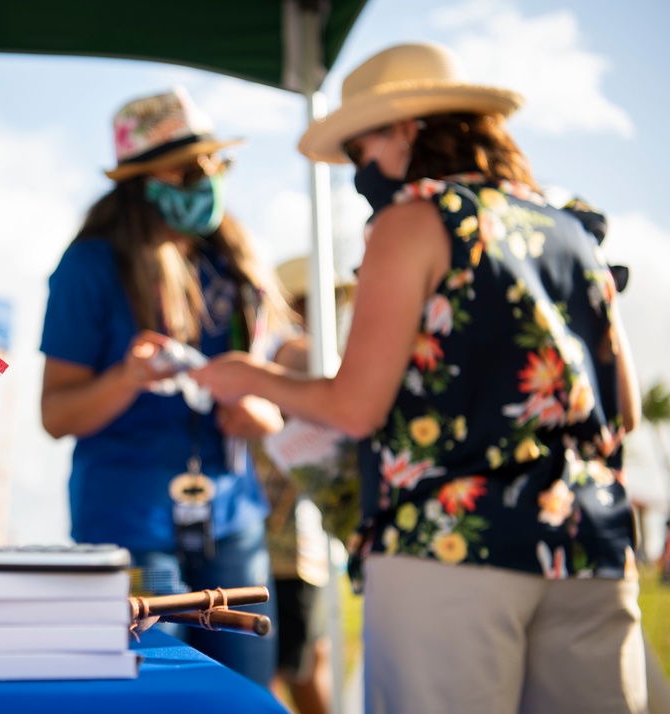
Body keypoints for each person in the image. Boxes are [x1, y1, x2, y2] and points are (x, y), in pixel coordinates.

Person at [191, 42, 647, 712]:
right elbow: (624, 408)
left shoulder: (412, 222)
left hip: (447, 548)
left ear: (407, 128)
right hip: (589, 546)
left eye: (359, 149)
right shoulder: (572, 227)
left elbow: (354, 407)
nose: (357, 170)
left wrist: (249, 376)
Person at [39, 86, 296, 688]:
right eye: (186, 166)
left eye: (214, 162)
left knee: (248, 697)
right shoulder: (88, 268)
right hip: (129, 524)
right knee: (156, 696)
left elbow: (279, 378)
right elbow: (56, 414)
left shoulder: (233, 263)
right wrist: (127, 377)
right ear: (138, 181)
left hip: (235, 518)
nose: (205, 178)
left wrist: (264, 412)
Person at [256, 256, 357, 714]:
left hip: (303, 544)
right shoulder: (294, 352)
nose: (336, 310)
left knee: (304, 662)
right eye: (328, 300)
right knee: (286, 669)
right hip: (282, 546)